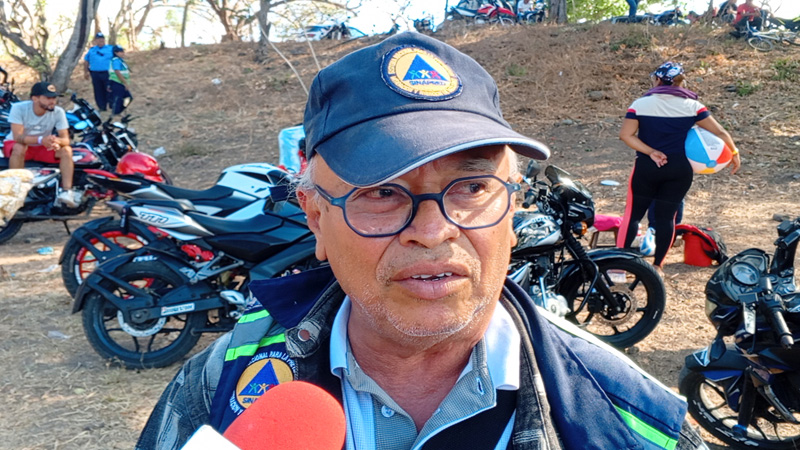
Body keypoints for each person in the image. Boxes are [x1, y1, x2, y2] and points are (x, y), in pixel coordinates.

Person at [135, 33, 707, 450]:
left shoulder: (628, 418)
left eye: (473, 186)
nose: (433, 231)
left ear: (514, 204)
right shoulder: (219, 384)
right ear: (315, 219)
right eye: (381, 193)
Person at [616, 62, 740, 274]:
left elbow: (626, 135)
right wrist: (734, 154)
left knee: (633, 216)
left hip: (647, 167)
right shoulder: (693, 106)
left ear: (657, 80)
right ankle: (657, 267)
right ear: (681, 81)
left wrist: (650, 152)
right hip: (679, 170)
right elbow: (719, 132)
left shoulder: (640, 104)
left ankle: (619, 267)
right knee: (666, 218)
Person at [3, 82, 78, 207]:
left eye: (54, 98)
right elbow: (18, 137)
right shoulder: (19, 108)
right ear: (35, 98)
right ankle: (15, 188)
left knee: (67, 150)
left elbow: (66, 139)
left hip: (42, 146)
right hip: (19, 144)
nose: (52, 101)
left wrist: (56, 141)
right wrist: (41, 139)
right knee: (19, 147)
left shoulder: (58, 112)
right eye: (48, 98)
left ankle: (66, 191)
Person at [83, 32, 113, 112]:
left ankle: (112, 105)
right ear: (95, 41)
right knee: (98, 90)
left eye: (102, 39)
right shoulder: (92, 50)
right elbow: (86, 61)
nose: (101, 41)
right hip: (95, 74)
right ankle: (102, 107)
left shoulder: (111, 48)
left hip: (108, 73)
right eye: (99, 39)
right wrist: (86, 72)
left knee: (110, 89)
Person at [108, 45, 132, 116]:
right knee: (118, 99)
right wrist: (125, 83)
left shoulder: (120, 61)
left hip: (120, 82)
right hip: (117, 82)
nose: (123, 53)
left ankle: (120, 111)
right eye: (121, 51)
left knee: (128, 97)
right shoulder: (116, 61)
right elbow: (117, 72)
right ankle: (116, 113)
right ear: (116, 52)